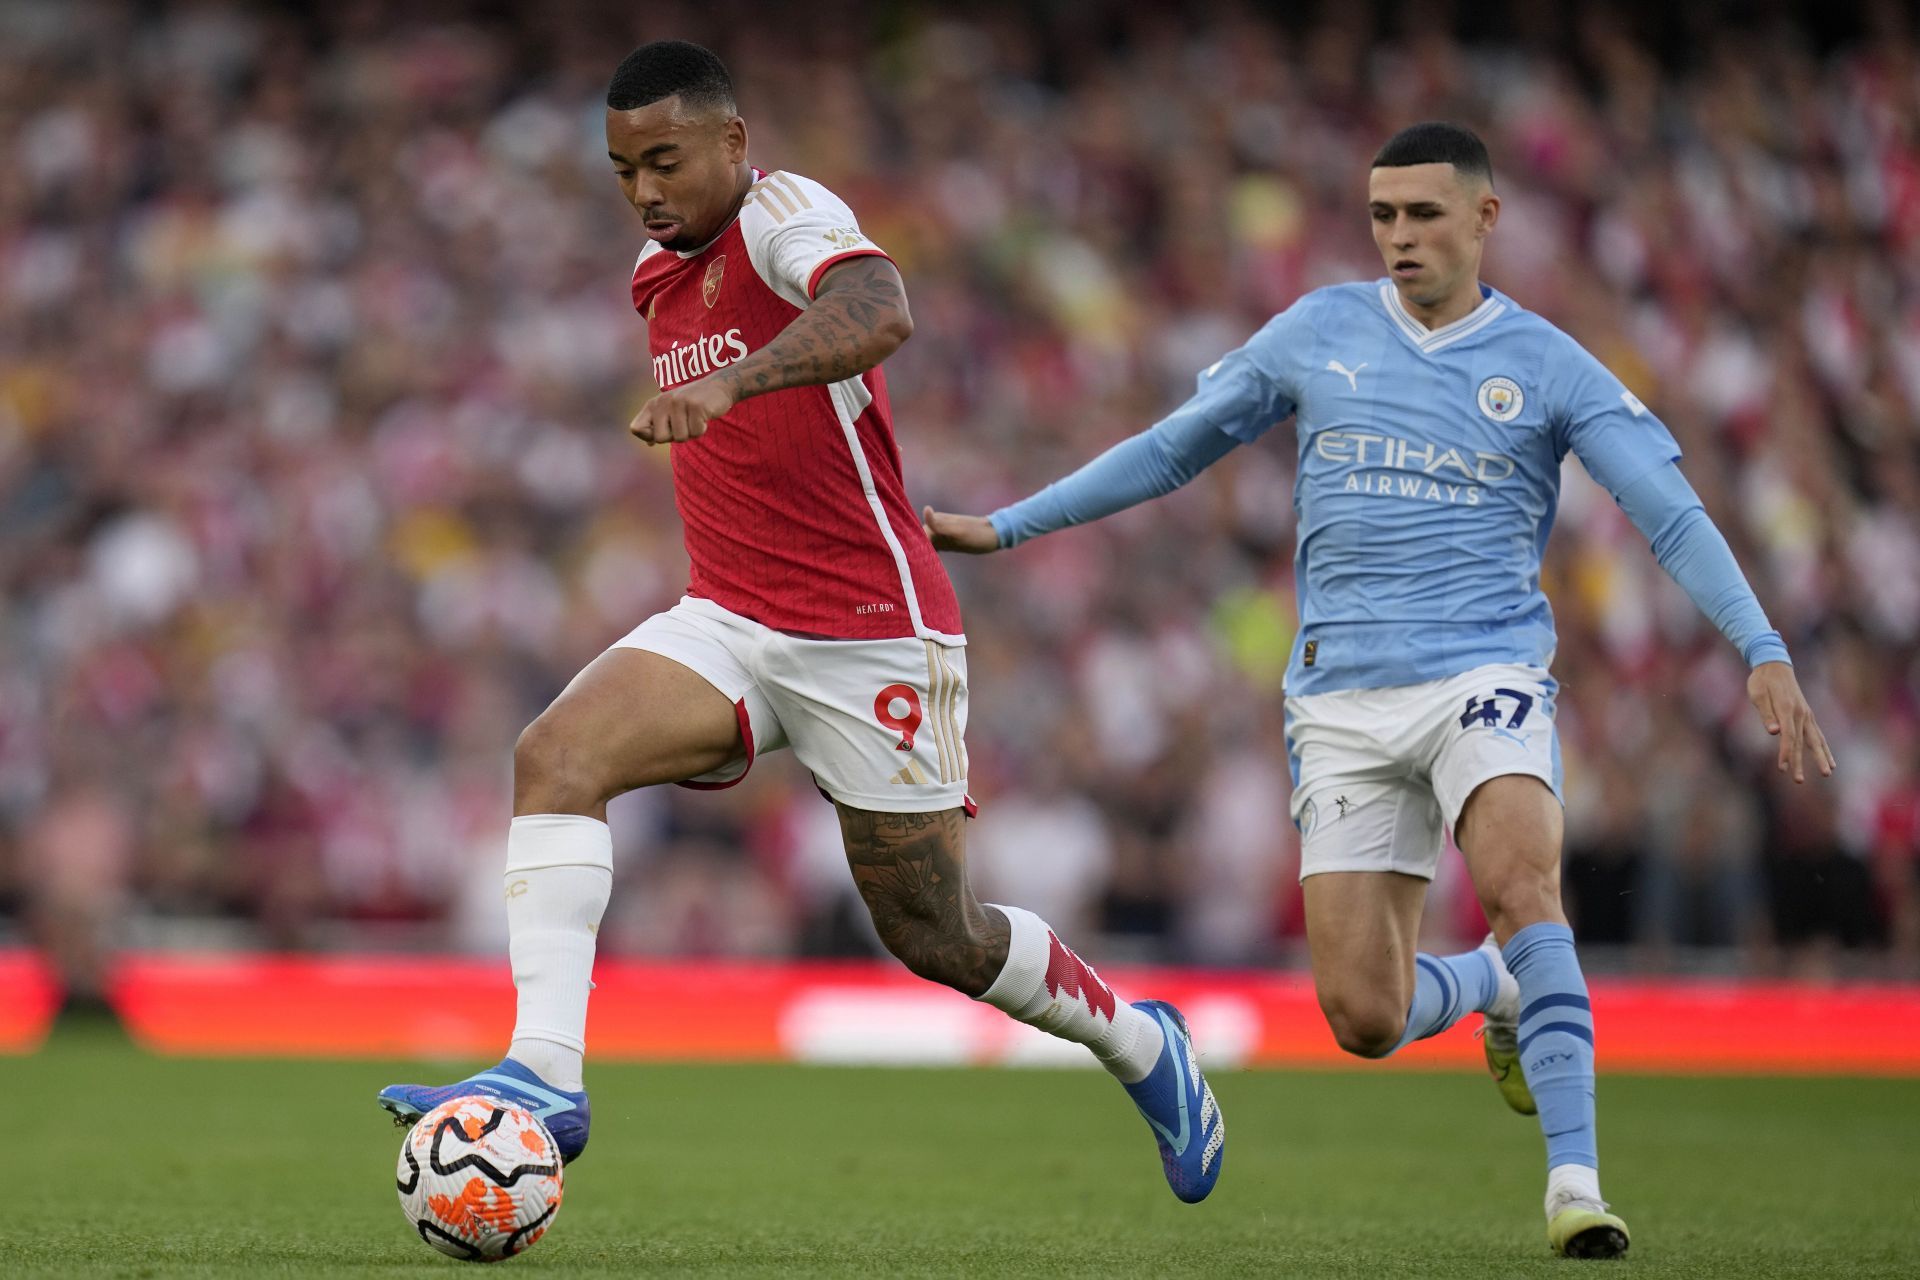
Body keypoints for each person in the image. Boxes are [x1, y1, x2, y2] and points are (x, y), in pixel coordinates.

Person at [923, 122, 1837, 1257]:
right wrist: (1012, 525)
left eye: (1424, 215)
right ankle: (1497, 989)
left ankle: (1574, 1183)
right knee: (1363, 1013)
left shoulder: (1549, 364)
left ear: (1486, 218)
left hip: (1485, 672)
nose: (1399, 236)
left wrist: (1760, 644)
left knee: (1518, 877)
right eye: (1383, 215)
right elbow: (1173, 447)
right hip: (1342, 701)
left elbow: (1668, 509)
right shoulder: (1321, 330)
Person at [376, 40, 1225, 1204]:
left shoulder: (787, 213)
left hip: (870, 628)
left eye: (665, 161)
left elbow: (881, 308)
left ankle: (1140, 1040)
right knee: (554, 756)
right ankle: (545, 1077)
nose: (646, 190)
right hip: (730, 615)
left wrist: (736, 381)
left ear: (732, 142)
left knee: (937, 933)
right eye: (624, 170)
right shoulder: (652, 269)